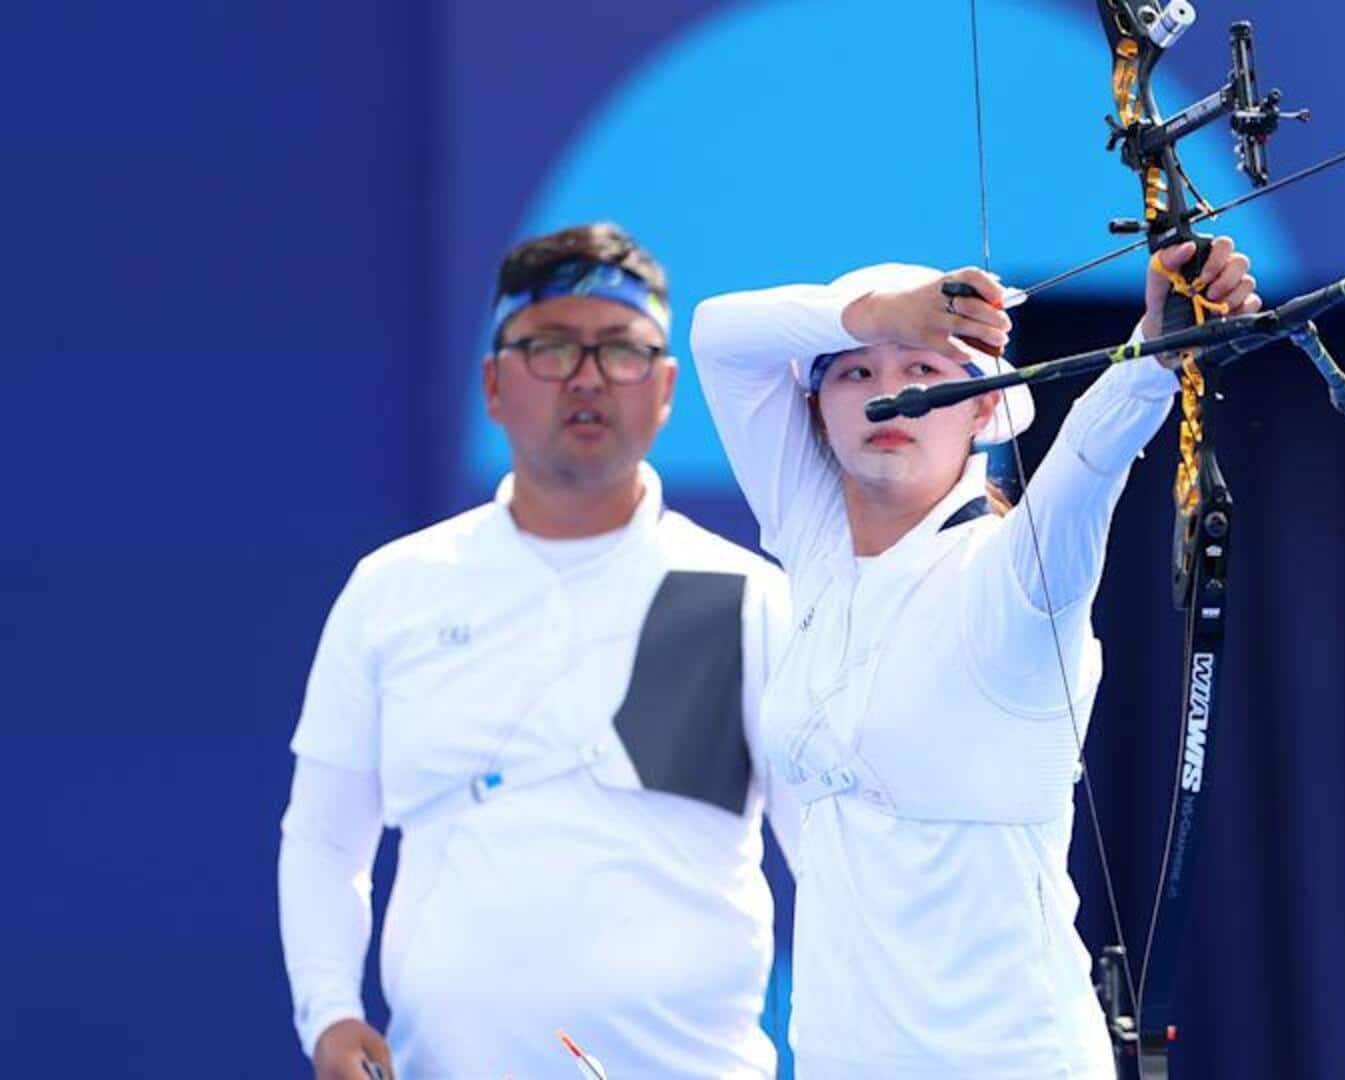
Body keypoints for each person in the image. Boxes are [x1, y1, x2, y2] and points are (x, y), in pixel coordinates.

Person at [689, 239, 1261, 1078]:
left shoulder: (1018, 573)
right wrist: (891, 316)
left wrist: (1156, 349)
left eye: (924, 371)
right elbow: (715, 335)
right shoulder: (812, 545)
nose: (889, 396)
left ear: (983, 410)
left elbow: (1089, 463)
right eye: (853, 375)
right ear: (816, 411)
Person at [278, 223, 794, 1079]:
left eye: (622, 350)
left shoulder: (743, 595)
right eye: (551, 346)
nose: (588, 378)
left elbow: (837, 864)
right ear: (492, 382)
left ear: (667, 388)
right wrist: (328, 1013)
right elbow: (326, 840)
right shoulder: (394, 591)